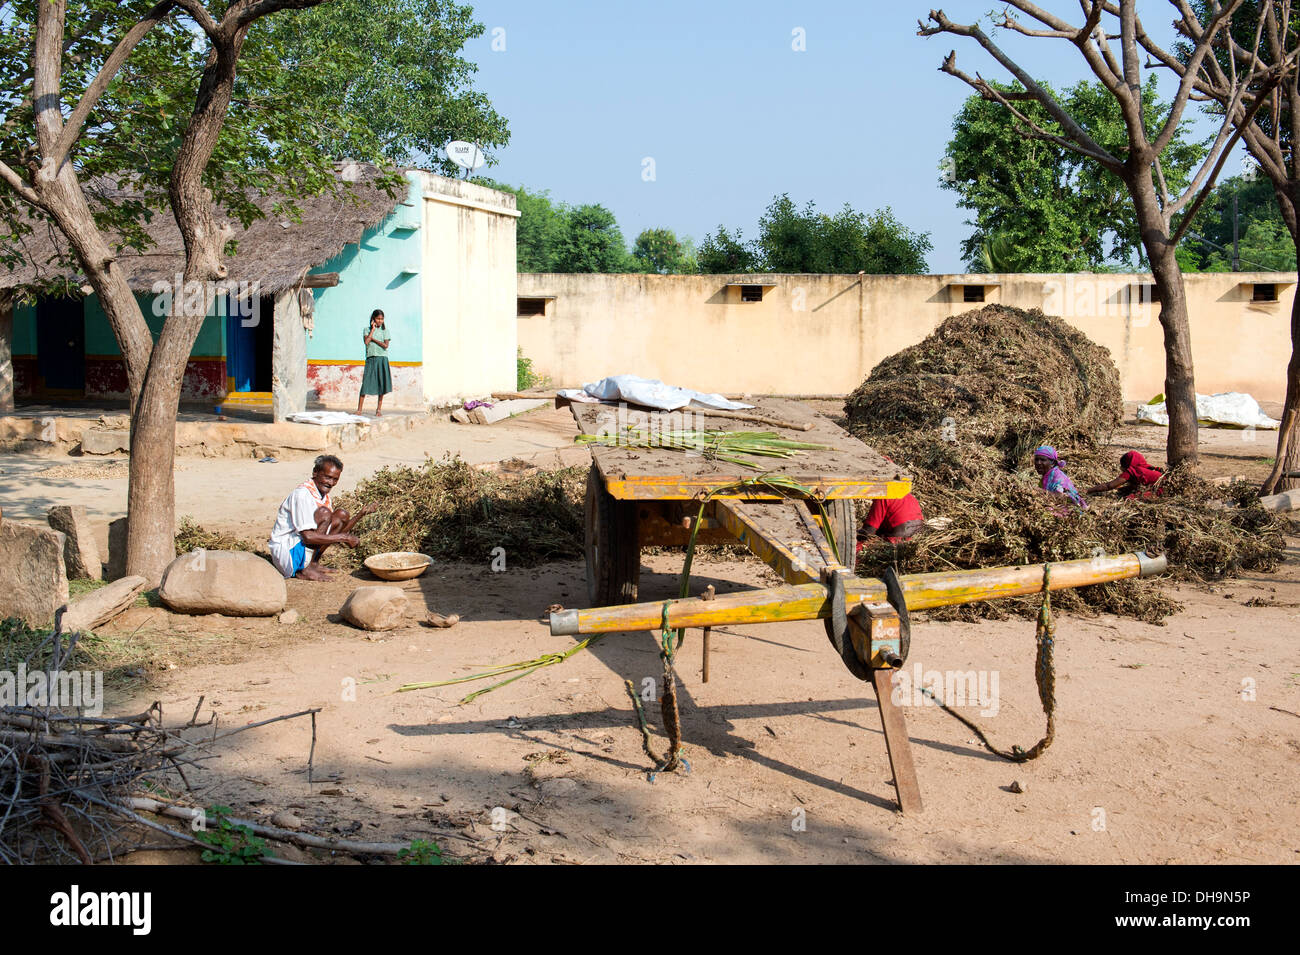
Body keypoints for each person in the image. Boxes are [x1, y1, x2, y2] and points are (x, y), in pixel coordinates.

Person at [269, 454, 376, 580]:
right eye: (327, 477)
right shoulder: (302, 495)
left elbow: (336, 532)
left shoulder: (323, 496)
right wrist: (345, 538)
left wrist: (360, 514)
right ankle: (306, 569)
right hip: (287, 555)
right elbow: (308, 537)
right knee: (325, 514)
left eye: (335, 479)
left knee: (341, 515)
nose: (331, 483)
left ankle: (313, 564)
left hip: (300, 550)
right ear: (315, 473)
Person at [857, 491, 925, 553]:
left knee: (858, 548)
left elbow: (868, 532)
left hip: (897, 542)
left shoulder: (883, 496)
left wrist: (854, 535)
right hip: (917, 540)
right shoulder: (910, 497)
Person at [1086, 450, 1165, 500]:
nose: (1121, 469)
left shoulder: (1132, 471)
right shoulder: (1146, 468)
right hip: (1164, 487)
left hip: (1160, 491)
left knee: (1129, 499)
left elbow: (1109, 486)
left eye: (1122, 466)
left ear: (1127, 465)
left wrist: (1089, 490)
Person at [357, 308, 392, 417]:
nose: (380, 321)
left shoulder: (385, 331)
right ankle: (359, 410)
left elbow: (385, 346)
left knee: (381, 384)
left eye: (382, 319)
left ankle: (378, 410)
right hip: (371, 359)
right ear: (373, 319)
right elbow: (366, 342)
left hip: (382, 359)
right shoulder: (366, 330)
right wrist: (372, 331)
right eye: (378, 318)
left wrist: (374, 340)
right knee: (365, 383)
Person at [1033, 445, 1088, 511]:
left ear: (1052, 463)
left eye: (1043, 460)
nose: (1038, 463)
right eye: (1036, 459)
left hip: (1071, 509)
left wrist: (1040, 492)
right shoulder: (1046, 477)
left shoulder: (1058, 477)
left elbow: (1062, 496)